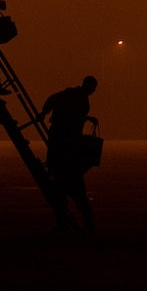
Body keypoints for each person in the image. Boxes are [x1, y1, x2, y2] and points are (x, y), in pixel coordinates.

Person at [38, 75, 99, 232]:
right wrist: (44, 112)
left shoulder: (76, 97)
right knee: (75, 193)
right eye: (93, 87)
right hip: (65, 147)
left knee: (61, 193)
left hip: (64, 147)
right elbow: (58, 104)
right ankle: (85, 224)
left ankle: (66, 224)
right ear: (87, 86)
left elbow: (67, 111)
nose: (93, 91)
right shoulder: (73, 95)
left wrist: (44, 113)